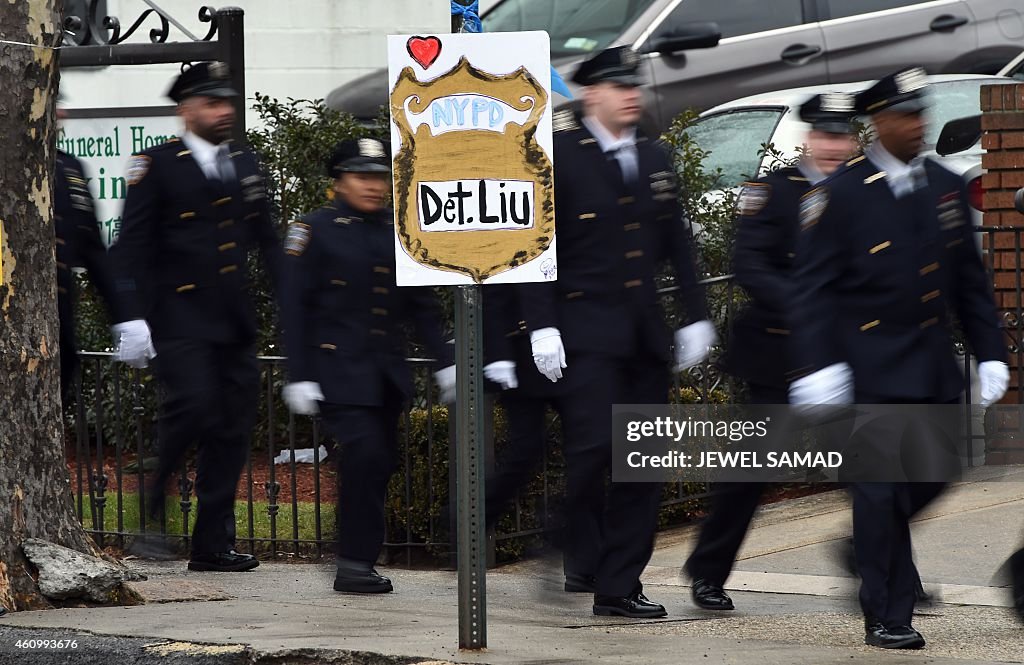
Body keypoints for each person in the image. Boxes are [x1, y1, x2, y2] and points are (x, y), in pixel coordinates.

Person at [789, 66, 1009, 649]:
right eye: (906, 116)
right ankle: (888, 613)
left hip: (931, 363)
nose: (918, 125)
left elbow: (969, 282)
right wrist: (819, 364)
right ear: (879, 123)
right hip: (869, 367)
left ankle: (866, 546)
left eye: (921, 114)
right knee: (879, 489)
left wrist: (991, 354)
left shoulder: (940, 184)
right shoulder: (838, 196)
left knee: (938, 476)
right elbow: (811, 289)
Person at [514, 46, 715, 618]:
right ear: (590, 95)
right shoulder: (555, 156)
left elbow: (677, 244)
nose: (632, 94)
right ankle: (565, 532)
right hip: (583, 333)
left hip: (644, 337)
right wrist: (541, 326)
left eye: (635, 85)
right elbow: (534, 247)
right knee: (597, 449)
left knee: (644, 461)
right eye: (618, 86)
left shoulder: (653, 156)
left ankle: (619, 585)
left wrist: (697, 313)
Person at [684, 92, 859, 611]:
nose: (834, 146)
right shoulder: (772, 191)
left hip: (843, 358)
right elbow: (750, 264)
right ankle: (708, 571)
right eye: (825, 136)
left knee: (873, 470)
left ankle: (890, 570)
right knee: (748, 473)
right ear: (808, 138)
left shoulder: (863, 190)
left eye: (843, 136)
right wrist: (808, 306)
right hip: (777, 355)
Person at [108, 61, 283, 572]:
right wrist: (130, 317)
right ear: (186, 111)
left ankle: (211, 545)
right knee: (194, 407)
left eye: (227, 101)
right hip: (179, 319)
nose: (224, 111)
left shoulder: (245, 166)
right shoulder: (157, 165)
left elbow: (269, 247)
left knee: (230, 431)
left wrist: (298, 308)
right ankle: (152, 511)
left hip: (232, 324)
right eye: (211, 103)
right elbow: (129, 248)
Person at [280, 138, 455, 594]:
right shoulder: (312, 230)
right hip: (336, 372)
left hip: (384, 376)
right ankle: (354, 563)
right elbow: (294, 308)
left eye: (379, 176)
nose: (374, 186)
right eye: (362, 176)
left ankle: (358, 557)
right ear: (337, 182)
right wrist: (298, 374)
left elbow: (421, 304)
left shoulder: (398, 229)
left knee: (379, 464)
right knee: (366, 455)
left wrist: (445, 361)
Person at [54, 101, 121, 401]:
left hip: (57, 327)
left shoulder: (69, 168)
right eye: (54, 104)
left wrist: (125, 316)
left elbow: (93, 250)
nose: (62, 114)